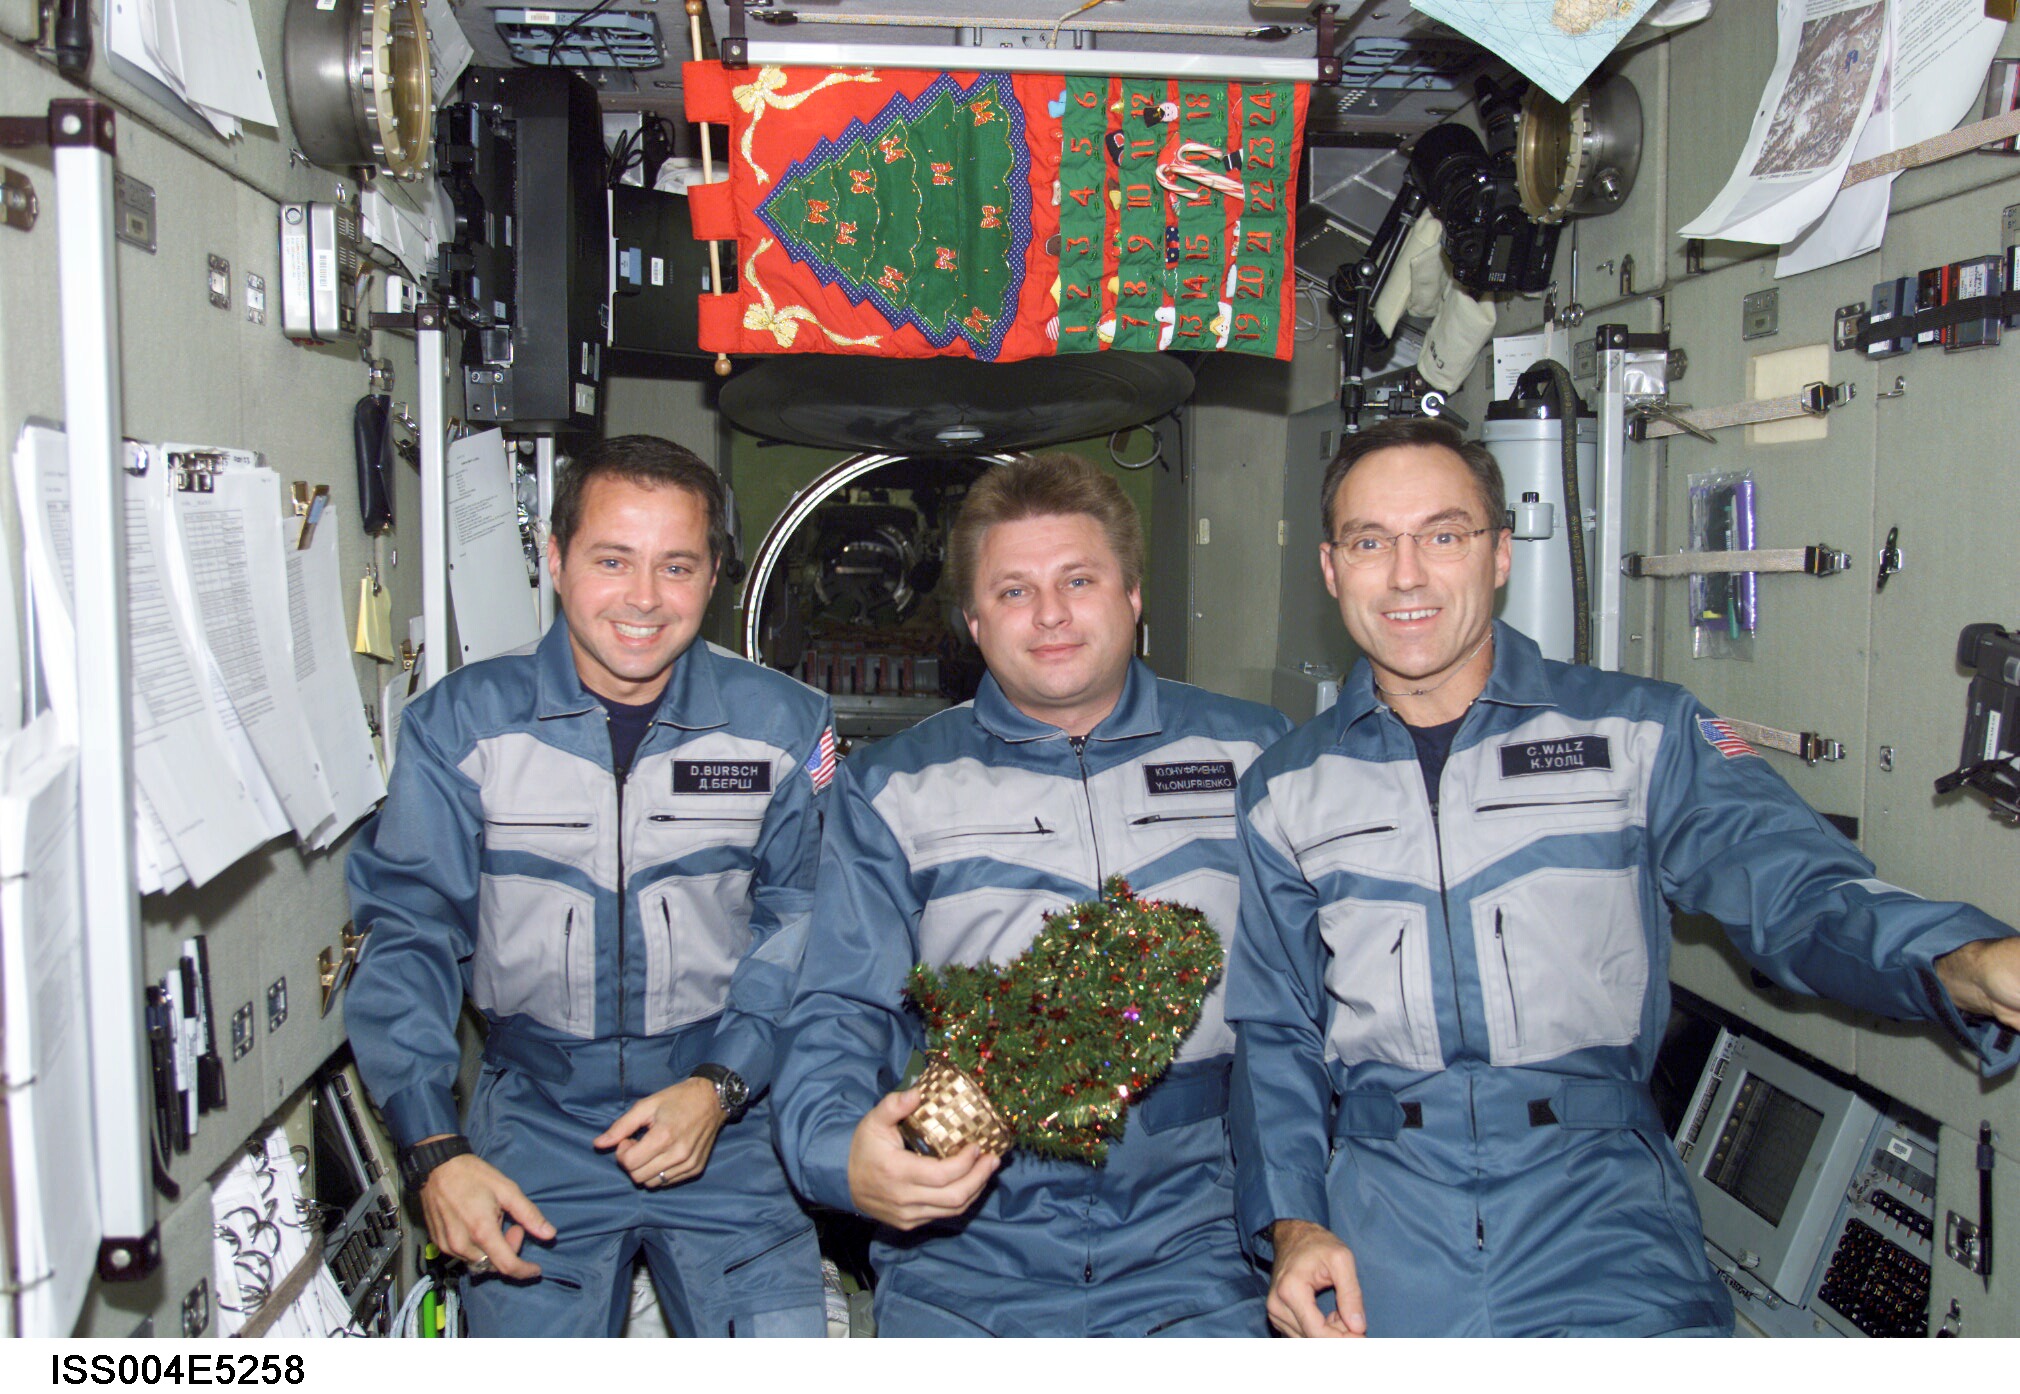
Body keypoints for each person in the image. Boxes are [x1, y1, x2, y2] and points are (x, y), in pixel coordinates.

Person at [1228, 416, 2020, 1338]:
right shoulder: (1286, 788)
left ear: (1498, 556)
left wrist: (1960, 959)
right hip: (1381, 1215)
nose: (1407, 575)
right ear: (1331, 570)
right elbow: (1276, 1033)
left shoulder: (1637, 736)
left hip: (1600, 1207)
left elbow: (1796, 891)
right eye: (1372, 542)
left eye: (1443, 535)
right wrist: (1293, 1225)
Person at [773, 452, 1292, 1337]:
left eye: (1078, 580)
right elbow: (837, 1006)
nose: (1050, 615)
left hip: (1200, 1248)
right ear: (973, 621)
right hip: (967, 1252)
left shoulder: (1255, 759)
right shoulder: (895, 788)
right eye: (1013, 592)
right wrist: (836, 1154)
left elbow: (1308, 1013)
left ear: (1133, 596)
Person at [346, 435, 833, 1337]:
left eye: (676, 565)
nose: (644, 599)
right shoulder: (459, 727)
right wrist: (431, 1148)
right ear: (558, 559)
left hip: (723, 1120)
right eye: (613, 560)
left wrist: (725, 1085)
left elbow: (803, 917)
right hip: (535, 1123)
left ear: (716, 575)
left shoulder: (784, 727)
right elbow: (409, 931)